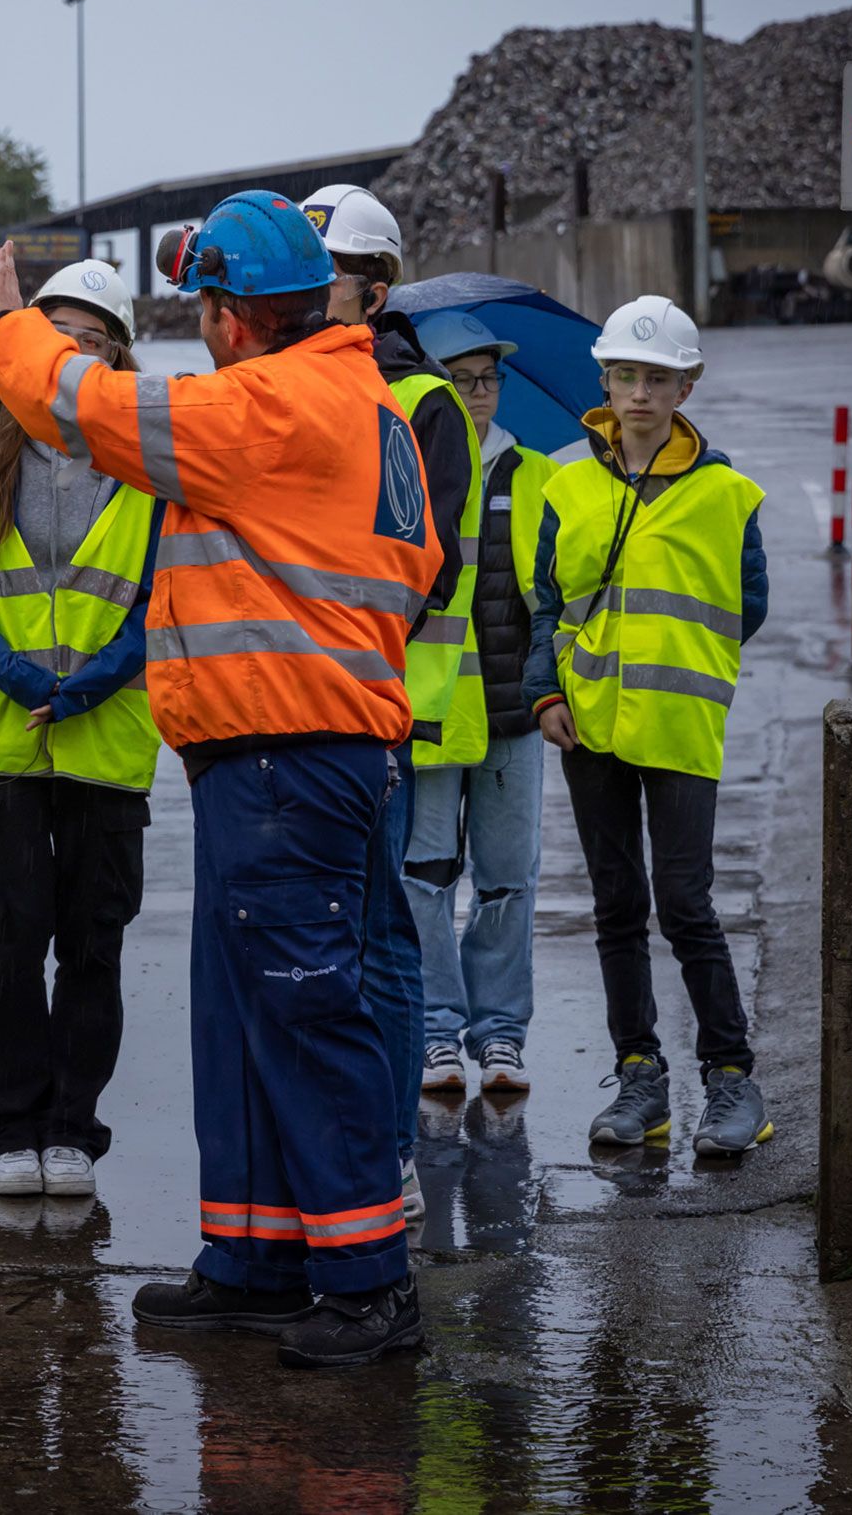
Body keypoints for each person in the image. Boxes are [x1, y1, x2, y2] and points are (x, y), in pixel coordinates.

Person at [0, 191, 440, 1371]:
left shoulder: (272, 403)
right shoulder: (359, 400)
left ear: (232, 318)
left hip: (291, 752)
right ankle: (256, 1257)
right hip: (279, 753)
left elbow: (76, 402)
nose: (199, 329)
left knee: (300, 1007)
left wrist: (10, 324)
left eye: (203, 309)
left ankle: (364, 1282)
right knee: (243, 1017)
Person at [0, 257, 162, 1201]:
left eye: (91, 335)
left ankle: (74, 1127)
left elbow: (164, 590)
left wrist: (94, 681)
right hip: (0, 734)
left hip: (106, 737)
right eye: (54, 329)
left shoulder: (150, 454)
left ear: (117, 352)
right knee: (7, 938)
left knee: (92, 941)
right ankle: (9, 1130)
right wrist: (22, 674)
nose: (71, 348)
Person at [524, 294, 772, 1157]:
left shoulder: (726, 493)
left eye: (656, 377)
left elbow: (750, 604)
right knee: (617, 906)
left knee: (687, 903)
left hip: (680, 726)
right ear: (605, 379)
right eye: (625, 375)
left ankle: (733, 1078)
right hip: (588, 724)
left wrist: (682, 663)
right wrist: (546, 696)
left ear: (686, 386)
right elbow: (544, 604)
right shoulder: (567, 487)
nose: (638, 392)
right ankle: (641, 1078)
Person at [302, 184, 480, 1222]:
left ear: (373, 291)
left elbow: (426, 564)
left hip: (379, 708)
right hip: (306, 705)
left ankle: (393, 1151)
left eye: (325, 282)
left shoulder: (420, 406)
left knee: (379, 934)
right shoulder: (293, 387)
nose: (308, 299)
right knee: (328, 935)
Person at [402, 311, 556, 1098]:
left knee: (506, 880)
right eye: (460, 380)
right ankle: (435, 1033)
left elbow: (553, 595)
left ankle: (499, 1034)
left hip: (508, 715)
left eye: (487, 378)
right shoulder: (412, 472)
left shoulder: (535, 475)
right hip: (429, 711)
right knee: (425, 877)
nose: (477, 393)